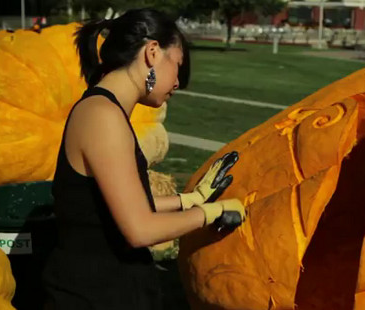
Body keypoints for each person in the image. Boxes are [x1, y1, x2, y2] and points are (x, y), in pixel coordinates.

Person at [42, 8, 246, 310]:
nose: (177, 82)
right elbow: (140, 229)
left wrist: (188, 200)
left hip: (106, 289)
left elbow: (112, 205)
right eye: (177, 65)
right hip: (93, 295)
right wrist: (212, 213)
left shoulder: (103, 110)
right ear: (152, 52)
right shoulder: (102, 116)